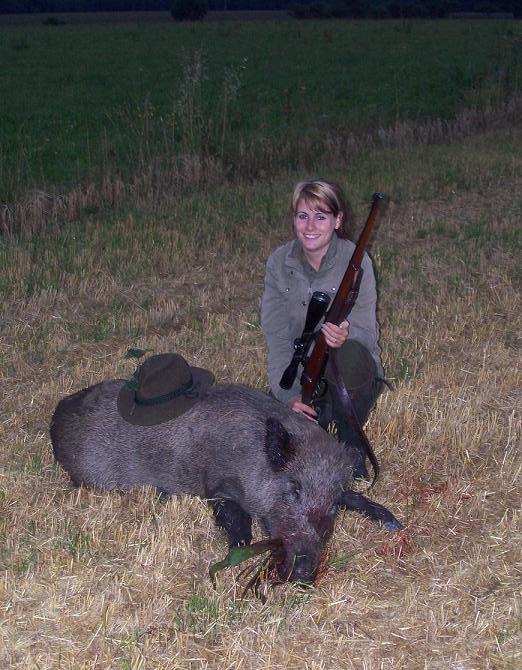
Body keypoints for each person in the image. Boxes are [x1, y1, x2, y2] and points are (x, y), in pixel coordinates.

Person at [261, 179, 385, 478]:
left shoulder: (357, 262)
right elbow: (277, 337)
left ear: (337, 220)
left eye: (321, 216)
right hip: (303, 370)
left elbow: (368, 334)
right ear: (293, 219)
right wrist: (289, 396)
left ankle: (350, 446)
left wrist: (345, 335)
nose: (310, 226)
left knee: (348, 356)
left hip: (348, 370)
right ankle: (320, 413)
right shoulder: (279, 263)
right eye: (302, 216)